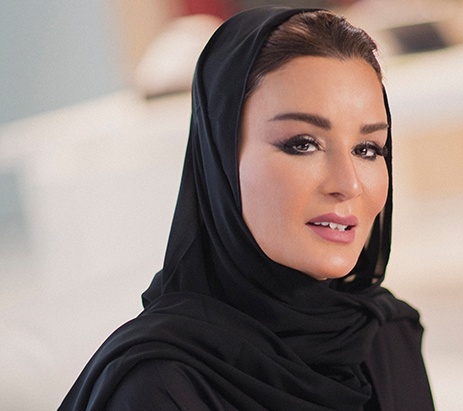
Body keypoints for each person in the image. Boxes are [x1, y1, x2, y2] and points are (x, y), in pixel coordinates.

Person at [58, 7, 434, 411]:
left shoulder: (388, 335)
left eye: (368, 149)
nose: (349, 184)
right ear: (220, 159)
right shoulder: (161, 386)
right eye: (302, 144)